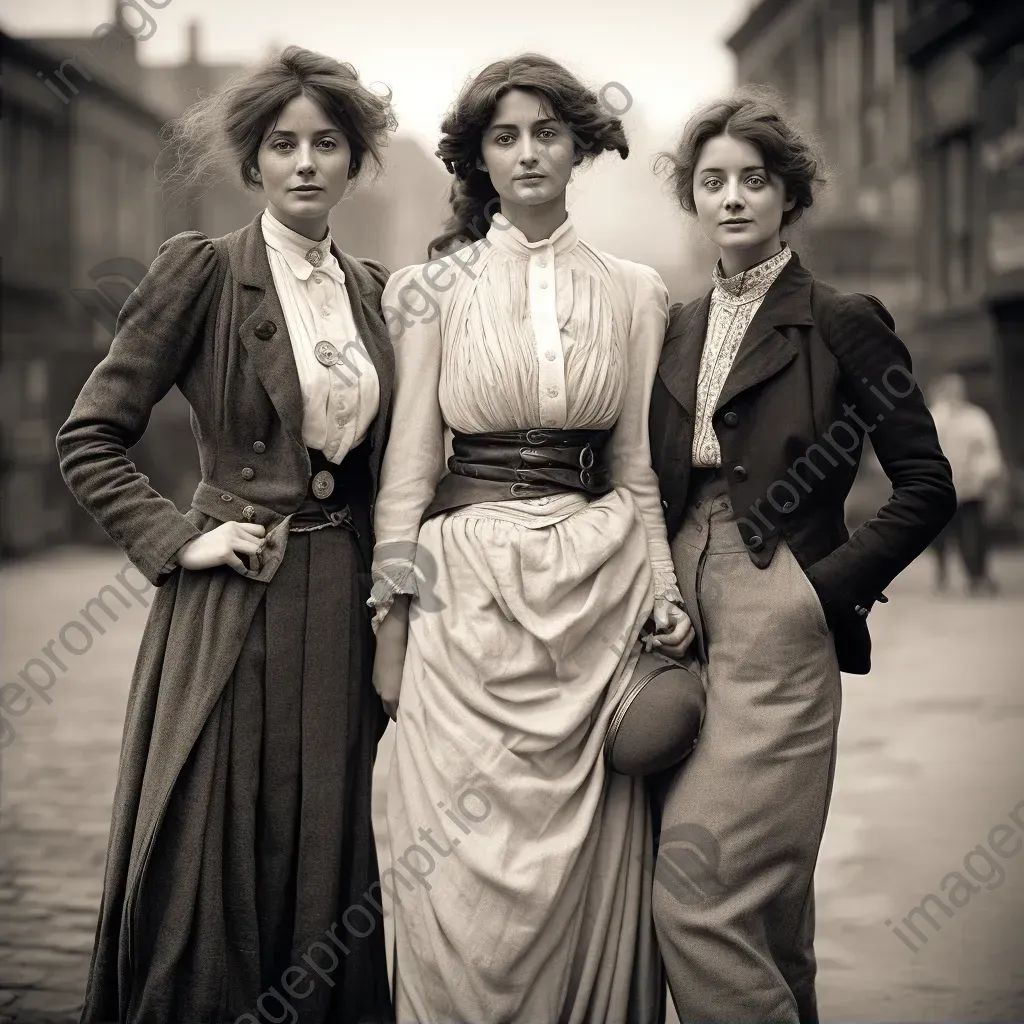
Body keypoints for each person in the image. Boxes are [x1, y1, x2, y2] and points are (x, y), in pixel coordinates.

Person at [56, 46, 396, 1023]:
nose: (303, 163)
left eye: (326, 143)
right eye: (281, 144)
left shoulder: (372, 291)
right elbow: (91, 436)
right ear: (250, 163)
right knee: (215, 847)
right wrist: (178, 540)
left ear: (352, 159)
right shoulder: (202, 272)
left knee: (329, 853)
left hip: (340, 600)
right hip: (232, 595)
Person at [368, 53, 690, 1023]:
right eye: (504, 136)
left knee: (587, 868)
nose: (527, 152)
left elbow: (634, 465)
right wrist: (391, 618)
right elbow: (410, 471)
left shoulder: (637, 293)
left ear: (580, 145)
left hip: (599, 590)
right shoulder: (432, 290)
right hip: (463, 595)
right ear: (480, 158)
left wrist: (666, 592)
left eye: (547, 131)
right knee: (451, 871)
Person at [647, 89, 956, 1023]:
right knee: (771, 916)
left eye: (754, 179)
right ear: (692, 199)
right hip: (679, 613)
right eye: (712, 182)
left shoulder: (841, 318)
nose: (733, 197)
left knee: (698, 897)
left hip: (780, 606)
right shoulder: (677, 322)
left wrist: (818, 595)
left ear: (788, 195)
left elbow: (926, 484)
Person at [928, 372, 1005, 594]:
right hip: (943, 486)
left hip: (971, 486)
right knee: (939, 534)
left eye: (958, 389)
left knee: (973, 531)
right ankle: (942, 572)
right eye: (950, 389)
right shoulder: (935, 416)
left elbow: (987, 448)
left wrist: (988, 474)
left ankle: (977, 576)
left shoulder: (975, 418)